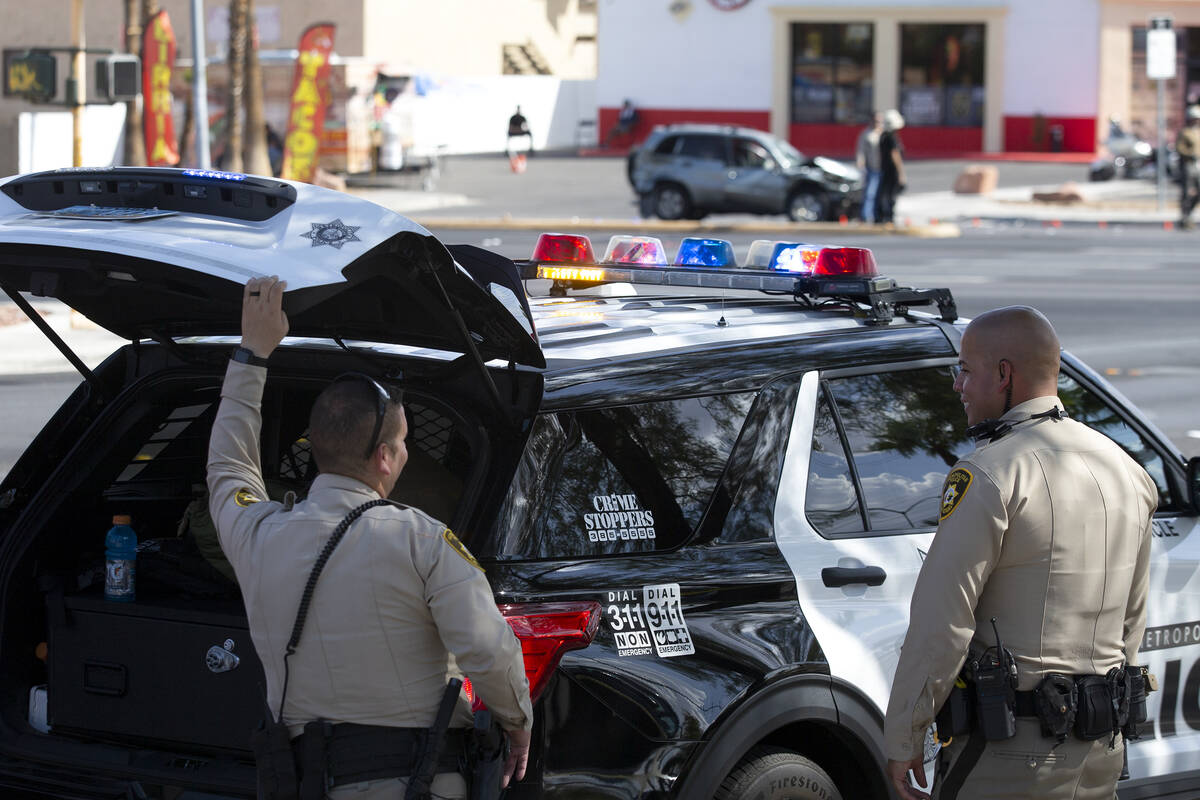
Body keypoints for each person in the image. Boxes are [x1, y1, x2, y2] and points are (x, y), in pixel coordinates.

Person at [207, 276, 533, 799]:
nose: (404, 454)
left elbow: (227, 468)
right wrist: (517, 722)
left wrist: (252, 352)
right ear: (384, 457)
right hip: (414, 783)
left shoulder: (258, 534)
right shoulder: (423, 541)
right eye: (404, 444)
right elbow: (487, 649)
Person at [884, 306, 1157, 800]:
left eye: (965, 370)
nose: (957, 385)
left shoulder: (989, 473)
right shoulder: (1128, 470)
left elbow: (942, 623)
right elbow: (1131, 624)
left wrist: (904, 734)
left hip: (1011, 756)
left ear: (1003, 374)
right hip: (1099, 753)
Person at [877, 109, 906, 224]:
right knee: (891, 195)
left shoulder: (883, 136)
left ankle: (885, 215)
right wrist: (901, 172)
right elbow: (895, 154)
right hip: (891, 171)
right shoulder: (891, 137)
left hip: (884, 170)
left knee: (885, 193)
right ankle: (889, 216)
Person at [855, 111, 884, 223]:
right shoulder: (867, 134)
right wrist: (860, 163)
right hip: (871, 168)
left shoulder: (883, 134)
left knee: (880, 194)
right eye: (876, 121)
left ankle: (878, 216)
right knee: (869, 193)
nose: (878, 123)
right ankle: (867, 216)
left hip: (883, 168)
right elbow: (861, 151)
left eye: (880, 121)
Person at [1175, 105, 1200, 229]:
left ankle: (1189, 211)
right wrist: (1191, 154)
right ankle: (1185, 217)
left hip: (1199, 165)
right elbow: (1180, 148)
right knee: (1186, 191)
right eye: (1194, 118)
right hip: (1188, 165)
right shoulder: (1185, 132)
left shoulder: (1198, 132)